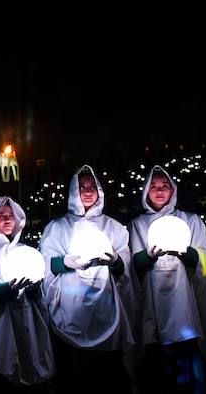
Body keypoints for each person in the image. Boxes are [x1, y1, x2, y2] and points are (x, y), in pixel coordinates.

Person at [38, 165, 135, 394]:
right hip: (70, 317)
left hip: (107, 313)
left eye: (92, 186)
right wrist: (65, 263)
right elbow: (45, 264)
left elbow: (125, 268)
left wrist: (115, 262)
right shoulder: (58, 227)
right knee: (77, 376)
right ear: (73, 191)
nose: (88, 191)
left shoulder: (113, 227)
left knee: (108, 377)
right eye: (82, 187)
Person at [128, 166, 206, 392]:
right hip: (153, 308)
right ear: (145, 191)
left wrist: (186, 252)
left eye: (165, 186)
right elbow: (132, 270)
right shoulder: (137, 225)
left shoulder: (189, 221)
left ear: (173, 190)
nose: (159, 191)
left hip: (184, 308)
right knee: (158, 374)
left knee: (187, 372)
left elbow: (203, 261)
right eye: (154, 187)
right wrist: (146, 257)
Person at [0, 196, 53, 394]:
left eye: (11, 215)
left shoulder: (28, 253)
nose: (6, 219)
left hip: (28, 323)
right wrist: (1, 291)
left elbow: (41, 291)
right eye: (1, 215)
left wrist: (33, 289)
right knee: (2, 380)